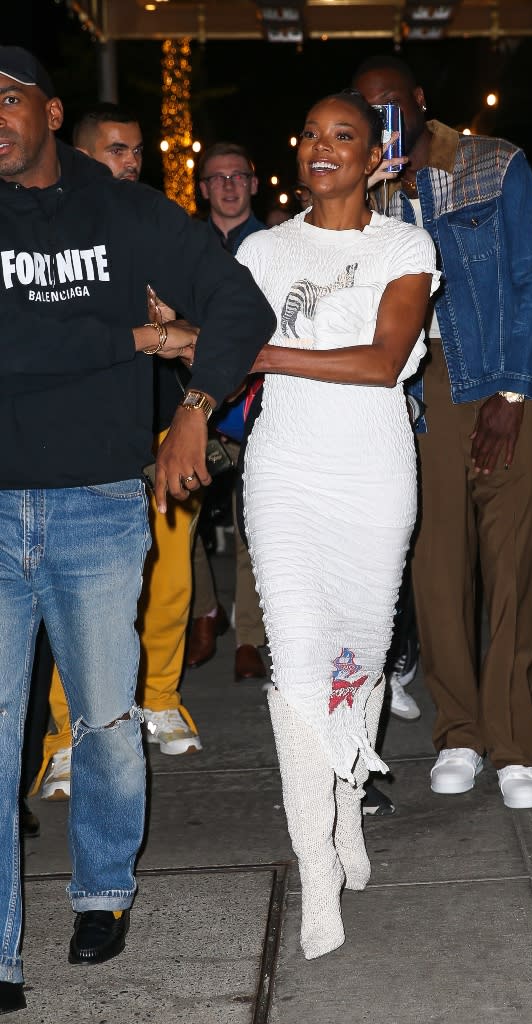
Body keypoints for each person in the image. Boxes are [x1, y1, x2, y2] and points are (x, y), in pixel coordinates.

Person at [0, 46, 273, 1014]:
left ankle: (103, 890)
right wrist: (130, 337)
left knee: (110, 721)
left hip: (98, 505)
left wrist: (197, 398)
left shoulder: (119, 210)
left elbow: (239, 303)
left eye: (6, 97)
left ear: (49, 110)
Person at [231, 89, 438, 958]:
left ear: (374, 156)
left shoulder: (405, 244)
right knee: (297, 658)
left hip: (371, 473)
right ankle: (314, 868)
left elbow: (385, 361)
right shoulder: (260, 249)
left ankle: (347, 803)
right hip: (284, 471)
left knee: (354, 652)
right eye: (310, 133)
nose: (322, 147)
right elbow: (218, 343)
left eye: (342, 135)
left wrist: (264, 351)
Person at [354, 55, 532, 809]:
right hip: (418, 390)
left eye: (391, 104)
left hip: (505, 375)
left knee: (510, 567)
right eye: (366, 108)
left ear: (418, 100)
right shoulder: (364, 188)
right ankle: (459, 732)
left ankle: (514, 747)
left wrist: (514, 390)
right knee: (437, 568)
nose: (382, 120)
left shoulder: (489, 162)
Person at [35, 104, 209, 805]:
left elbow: (207, 322)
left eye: (136, 150)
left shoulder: (155, 222)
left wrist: (172, 318)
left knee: (166, 578)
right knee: (75, 595)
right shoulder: (47, 227)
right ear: (77, 153)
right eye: (115, 149)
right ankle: (66, 738)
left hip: (162, 428)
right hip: (81, 439)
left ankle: (160, 697)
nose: (130, 162)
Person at [193, 142, 269, 681]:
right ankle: (205, 610)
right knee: (179, 518)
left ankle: (249, 638)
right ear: (203, 188)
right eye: (216, 178)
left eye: (237, 176)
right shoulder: (187, 244)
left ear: (253, 183)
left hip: (258, 401)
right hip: (195, 399)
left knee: (254, 524)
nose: (227, 185)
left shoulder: (276, 243)